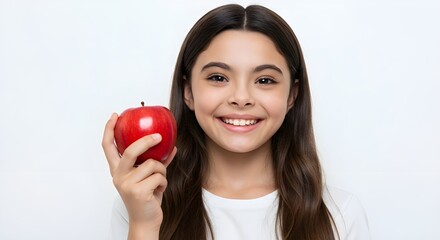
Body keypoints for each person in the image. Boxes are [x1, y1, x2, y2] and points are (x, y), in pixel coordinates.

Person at [102, 4, 370, 240]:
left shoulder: (340, 215)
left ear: (292, 96)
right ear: (188, 92)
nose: (241, 98)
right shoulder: (142, 204)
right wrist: (144, 225)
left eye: (265, 80)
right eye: (218, 77)